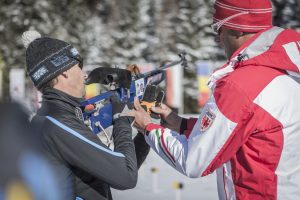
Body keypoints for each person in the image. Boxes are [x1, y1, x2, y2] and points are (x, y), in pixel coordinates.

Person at [132, 0, 300, 199]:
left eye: (219, 28)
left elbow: (192, 161)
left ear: (238, 28)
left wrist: (147, 127)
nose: (218, 38)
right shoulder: (287, 69)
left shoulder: (240, 86)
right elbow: (246, 131)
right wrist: (181, 124)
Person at [22, 30, 150, 200]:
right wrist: (121, 119)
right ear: (64, 72)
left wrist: (146, 132)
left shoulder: (51, 119)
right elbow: (126, 177)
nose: (83, 74)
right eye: (78, 67)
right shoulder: (60, 124)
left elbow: (120, 169)